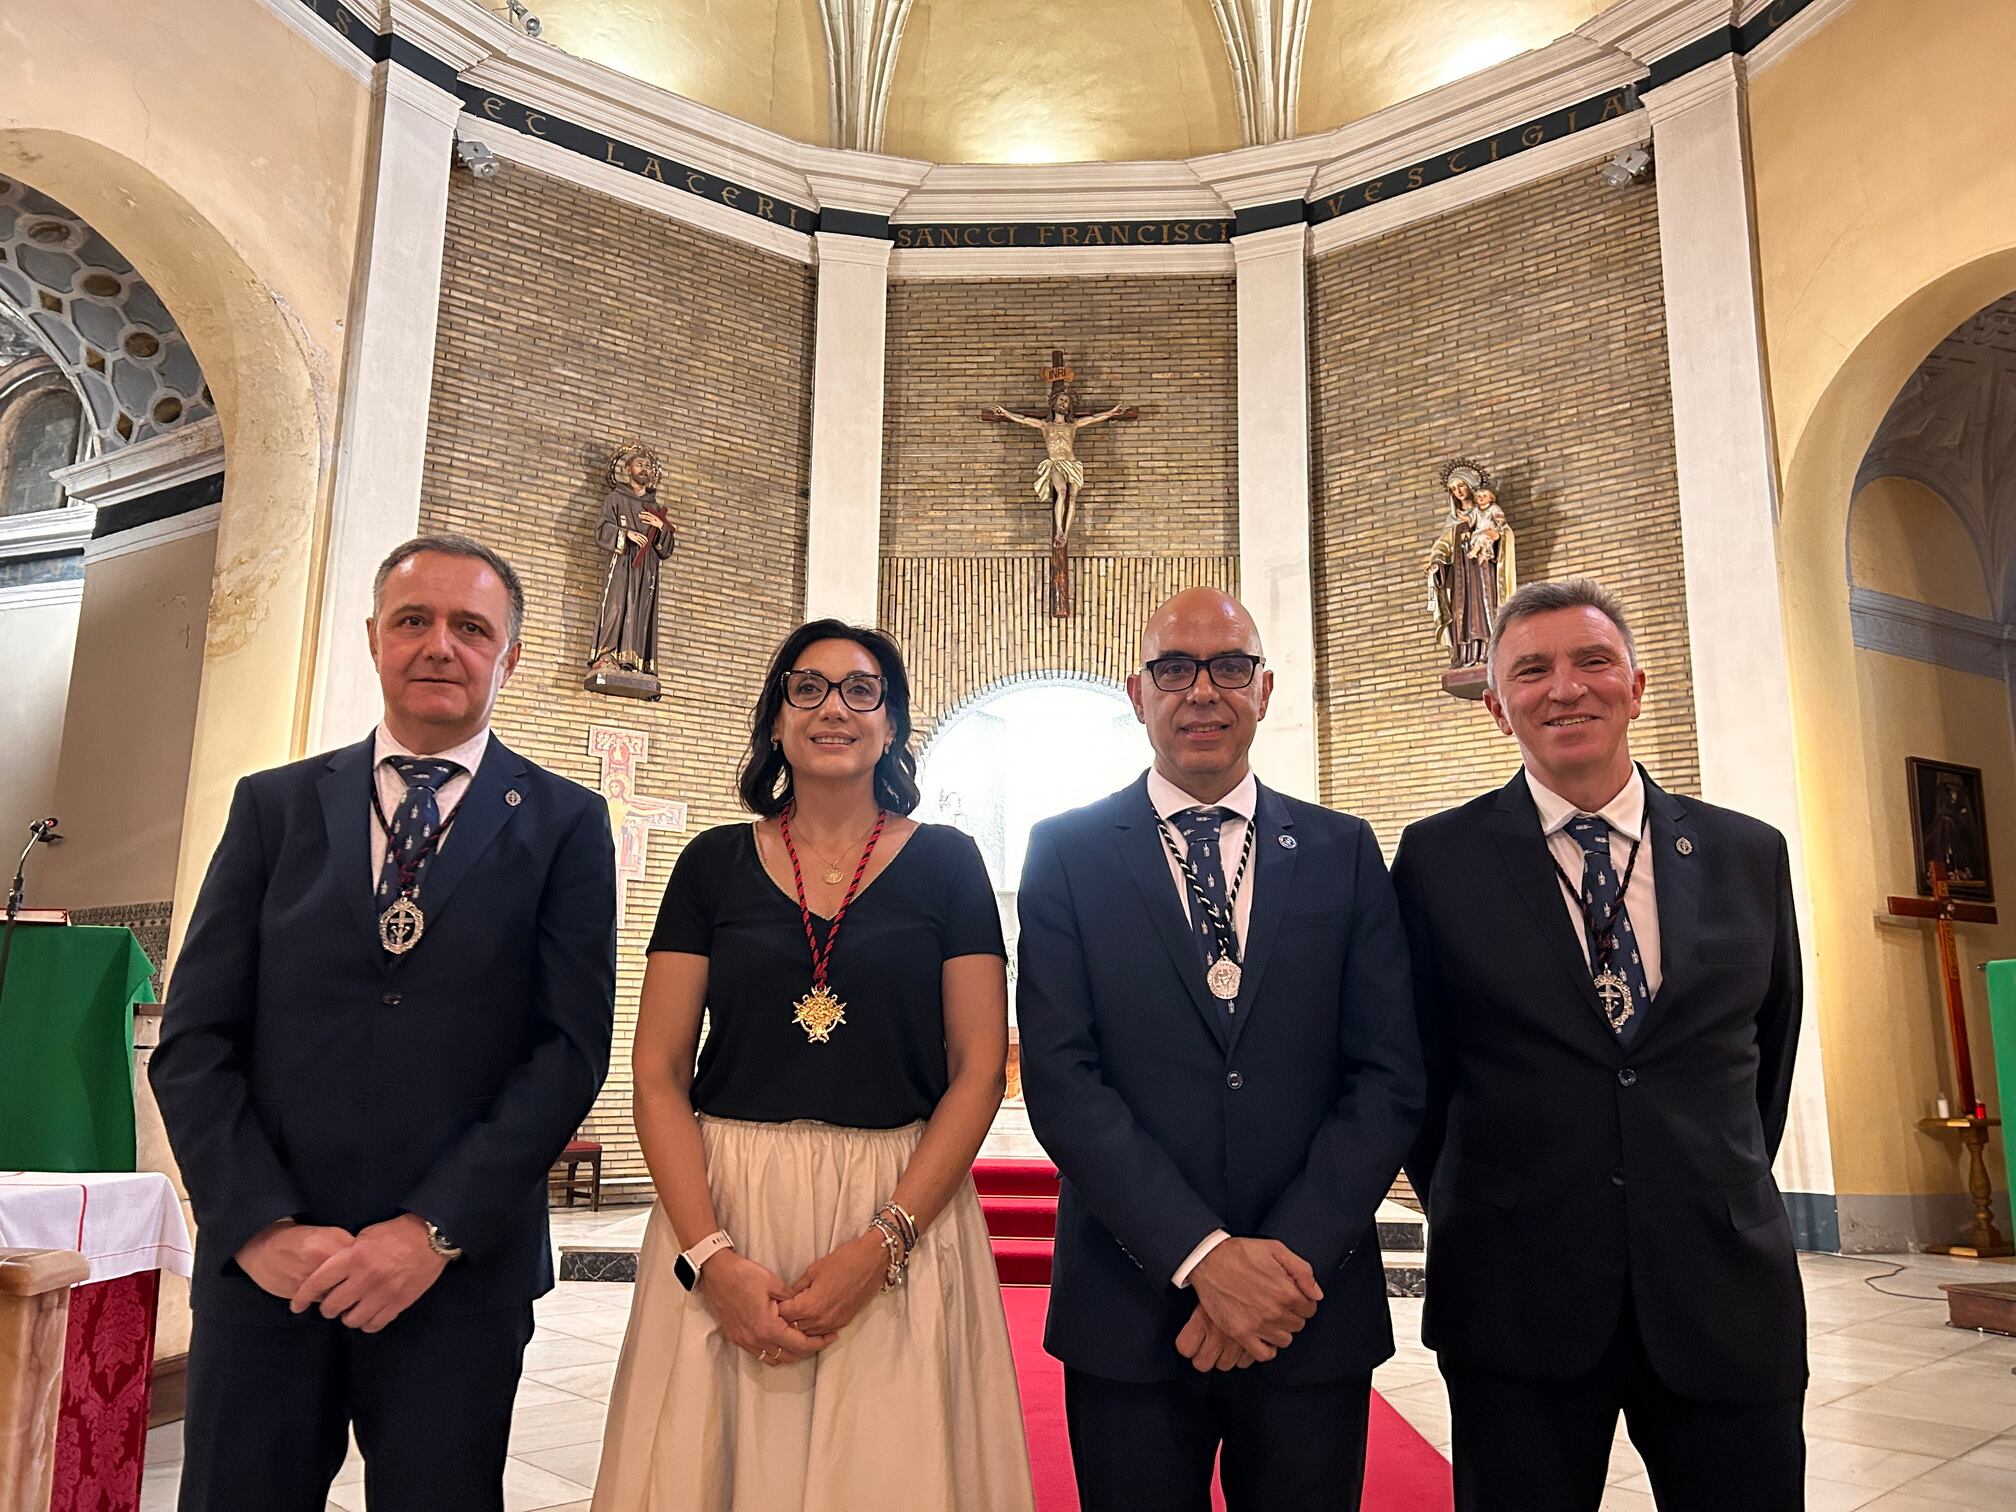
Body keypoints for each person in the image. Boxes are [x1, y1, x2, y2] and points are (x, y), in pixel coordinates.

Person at [152, 534, 618, 1511]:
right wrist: (256, 1227)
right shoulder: (274, 809)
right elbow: (195, 1042)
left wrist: (432, 1230)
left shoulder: (567, 825)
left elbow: (567, 1052)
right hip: (271, 1278)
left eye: (470, 627)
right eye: (414, 620)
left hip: (457, 1281)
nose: (439, 645)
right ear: (374, 638)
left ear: (510, 655)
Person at [592, 619, 1034, 1512]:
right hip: (728, 1197)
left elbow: (980, 1069)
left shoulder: (949, 863)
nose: (834, 707)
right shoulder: (710, 864)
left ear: (892, 723)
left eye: (860, 689)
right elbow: (658, 1070)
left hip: (900, 1203)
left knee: (888, 1475)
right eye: (808, 687)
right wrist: (710, 1256)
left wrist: (885, 1243)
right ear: (776, 719)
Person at [1391, 578, 1806, 1511]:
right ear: (1497, 706)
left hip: (1723, 1292)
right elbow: (1415, 1071)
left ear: (1637, 684)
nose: (1564, 688)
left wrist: (1699, 1178)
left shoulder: (1749, 853)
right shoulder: (1437, 860)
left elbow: (1765, 1059)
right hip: (1516, 1295)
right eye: (1531, 670)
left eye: (1592, 662)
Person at [1016, 587, 1423, 1512]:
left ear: (1265, 688)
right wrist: (1204, 1259)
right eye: (1175, 669)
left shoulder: (1341, 850)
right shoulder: (1067, 853)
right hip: (1129, 1306)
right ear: (1137, 692)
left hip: (1306, 1307)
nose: (1203, 691)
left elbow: (1388, 1073)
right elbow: (1062, 1078)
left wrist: (1278, 1265)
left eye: (1229, 667)